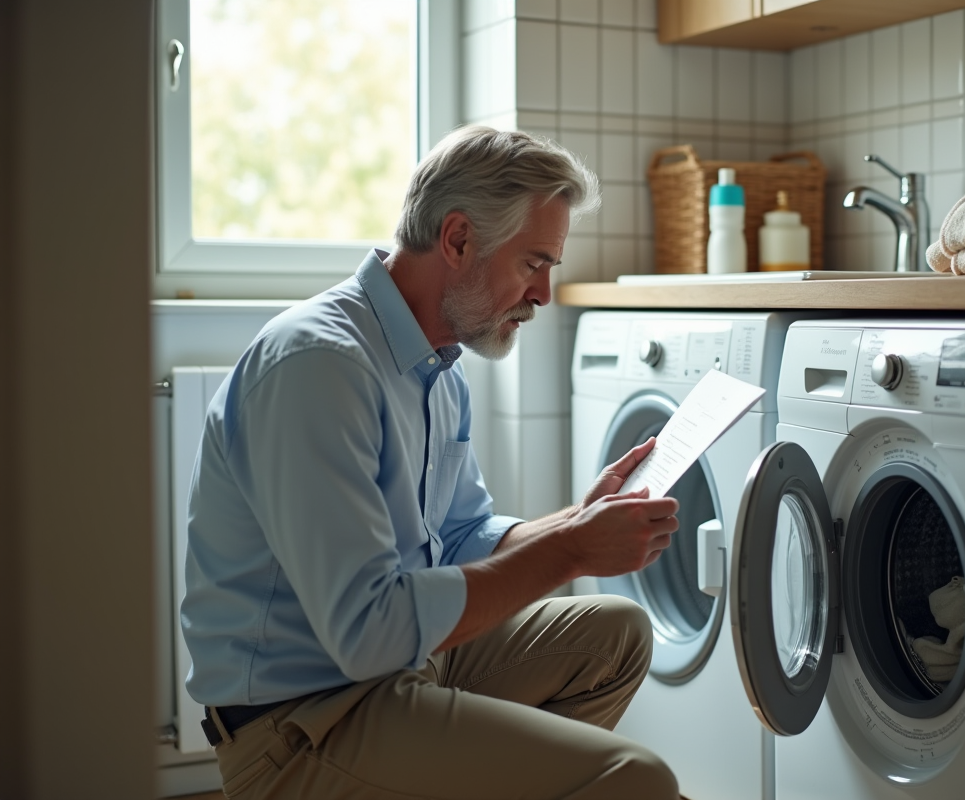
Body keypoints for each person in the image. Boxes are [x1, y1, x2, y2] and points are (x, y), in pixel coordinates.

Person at [181, 125, 682, 799]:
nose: (545, 294)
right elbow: (367, 631)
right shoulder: (320, 366)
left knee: (616, 636)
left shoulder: (435, 367)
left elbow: (459, 537)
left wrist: (580, 521)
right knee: (637, 779)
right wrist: (569, 550)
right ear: (456, 240)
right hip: (302, 725)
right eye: (533, 263)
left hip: (399, 674)